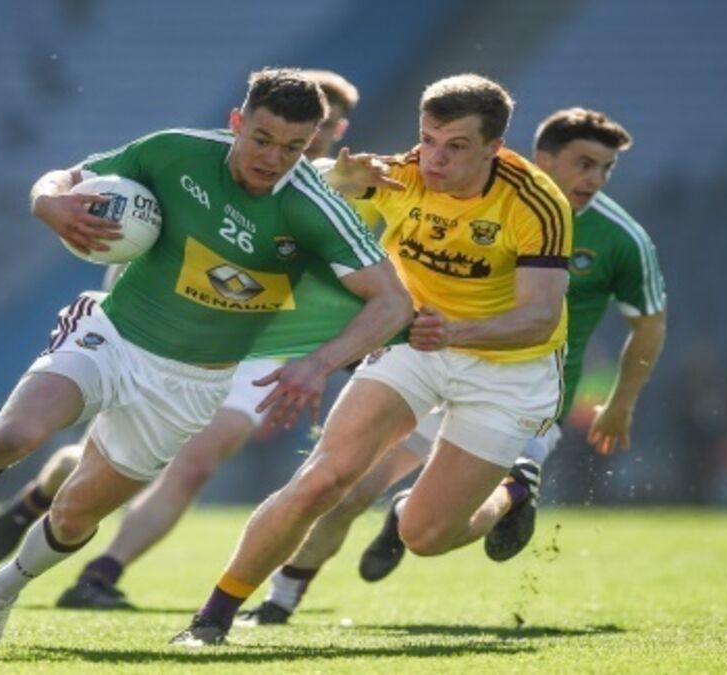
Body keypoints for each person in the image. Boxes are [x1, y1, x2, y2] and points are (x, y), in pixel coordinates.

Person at [0, 68, 412, 647]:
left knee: (75, 515)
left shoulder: (315, 207)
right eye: (261, 139)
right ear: (237, 122)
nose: (273, 158)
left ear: (310, 144)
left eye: (292, 148)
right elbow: (65, 177)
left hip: (190, 384)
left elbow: (391, 302)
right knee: (12, 436)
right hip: (113, 335)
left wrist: (318, 364)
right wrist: (48, 204)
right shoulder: (174, 152)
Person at [172, 73, 574, 647]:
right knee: (323, 478)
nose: (434, 159)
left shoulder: (536, 201)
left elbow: (539, 317)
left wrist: (457, 330)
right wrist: (339, 178)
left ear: (494, 147)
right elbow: (296, 194)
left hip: (509, 364)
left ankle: (514, 491)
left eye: (456, 146)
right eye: (428, 139)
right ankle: (212, 619)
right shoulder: (398, 175)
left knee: (425, 535)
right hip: (418, 343)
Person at [240, 107, 668, 626]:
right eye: (584, 164)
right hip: (429, 361)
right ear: (544, 158)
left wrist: (621, 403)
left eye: (605, 169)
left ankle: (504, 491)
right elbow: (337, 192)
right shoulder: (451, 186)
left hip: (517, 391)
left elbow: (649, 324)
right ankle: (281, 600)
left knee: (427, 532)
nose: (594, 179)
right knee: (350, 487)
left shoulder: (621, 238)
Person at [0, 70, 369, 612]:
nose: (290, 149)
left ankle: (101, 573)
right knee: (95, 458)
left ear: (334, 131)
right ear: (246, 125)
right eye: (268, 137)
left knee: (194, 463)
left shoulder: (334, 190)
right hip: (157, 328)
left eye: (313, 136)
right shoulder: (204, 163)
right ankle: (41, 497)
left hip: (250, 348)